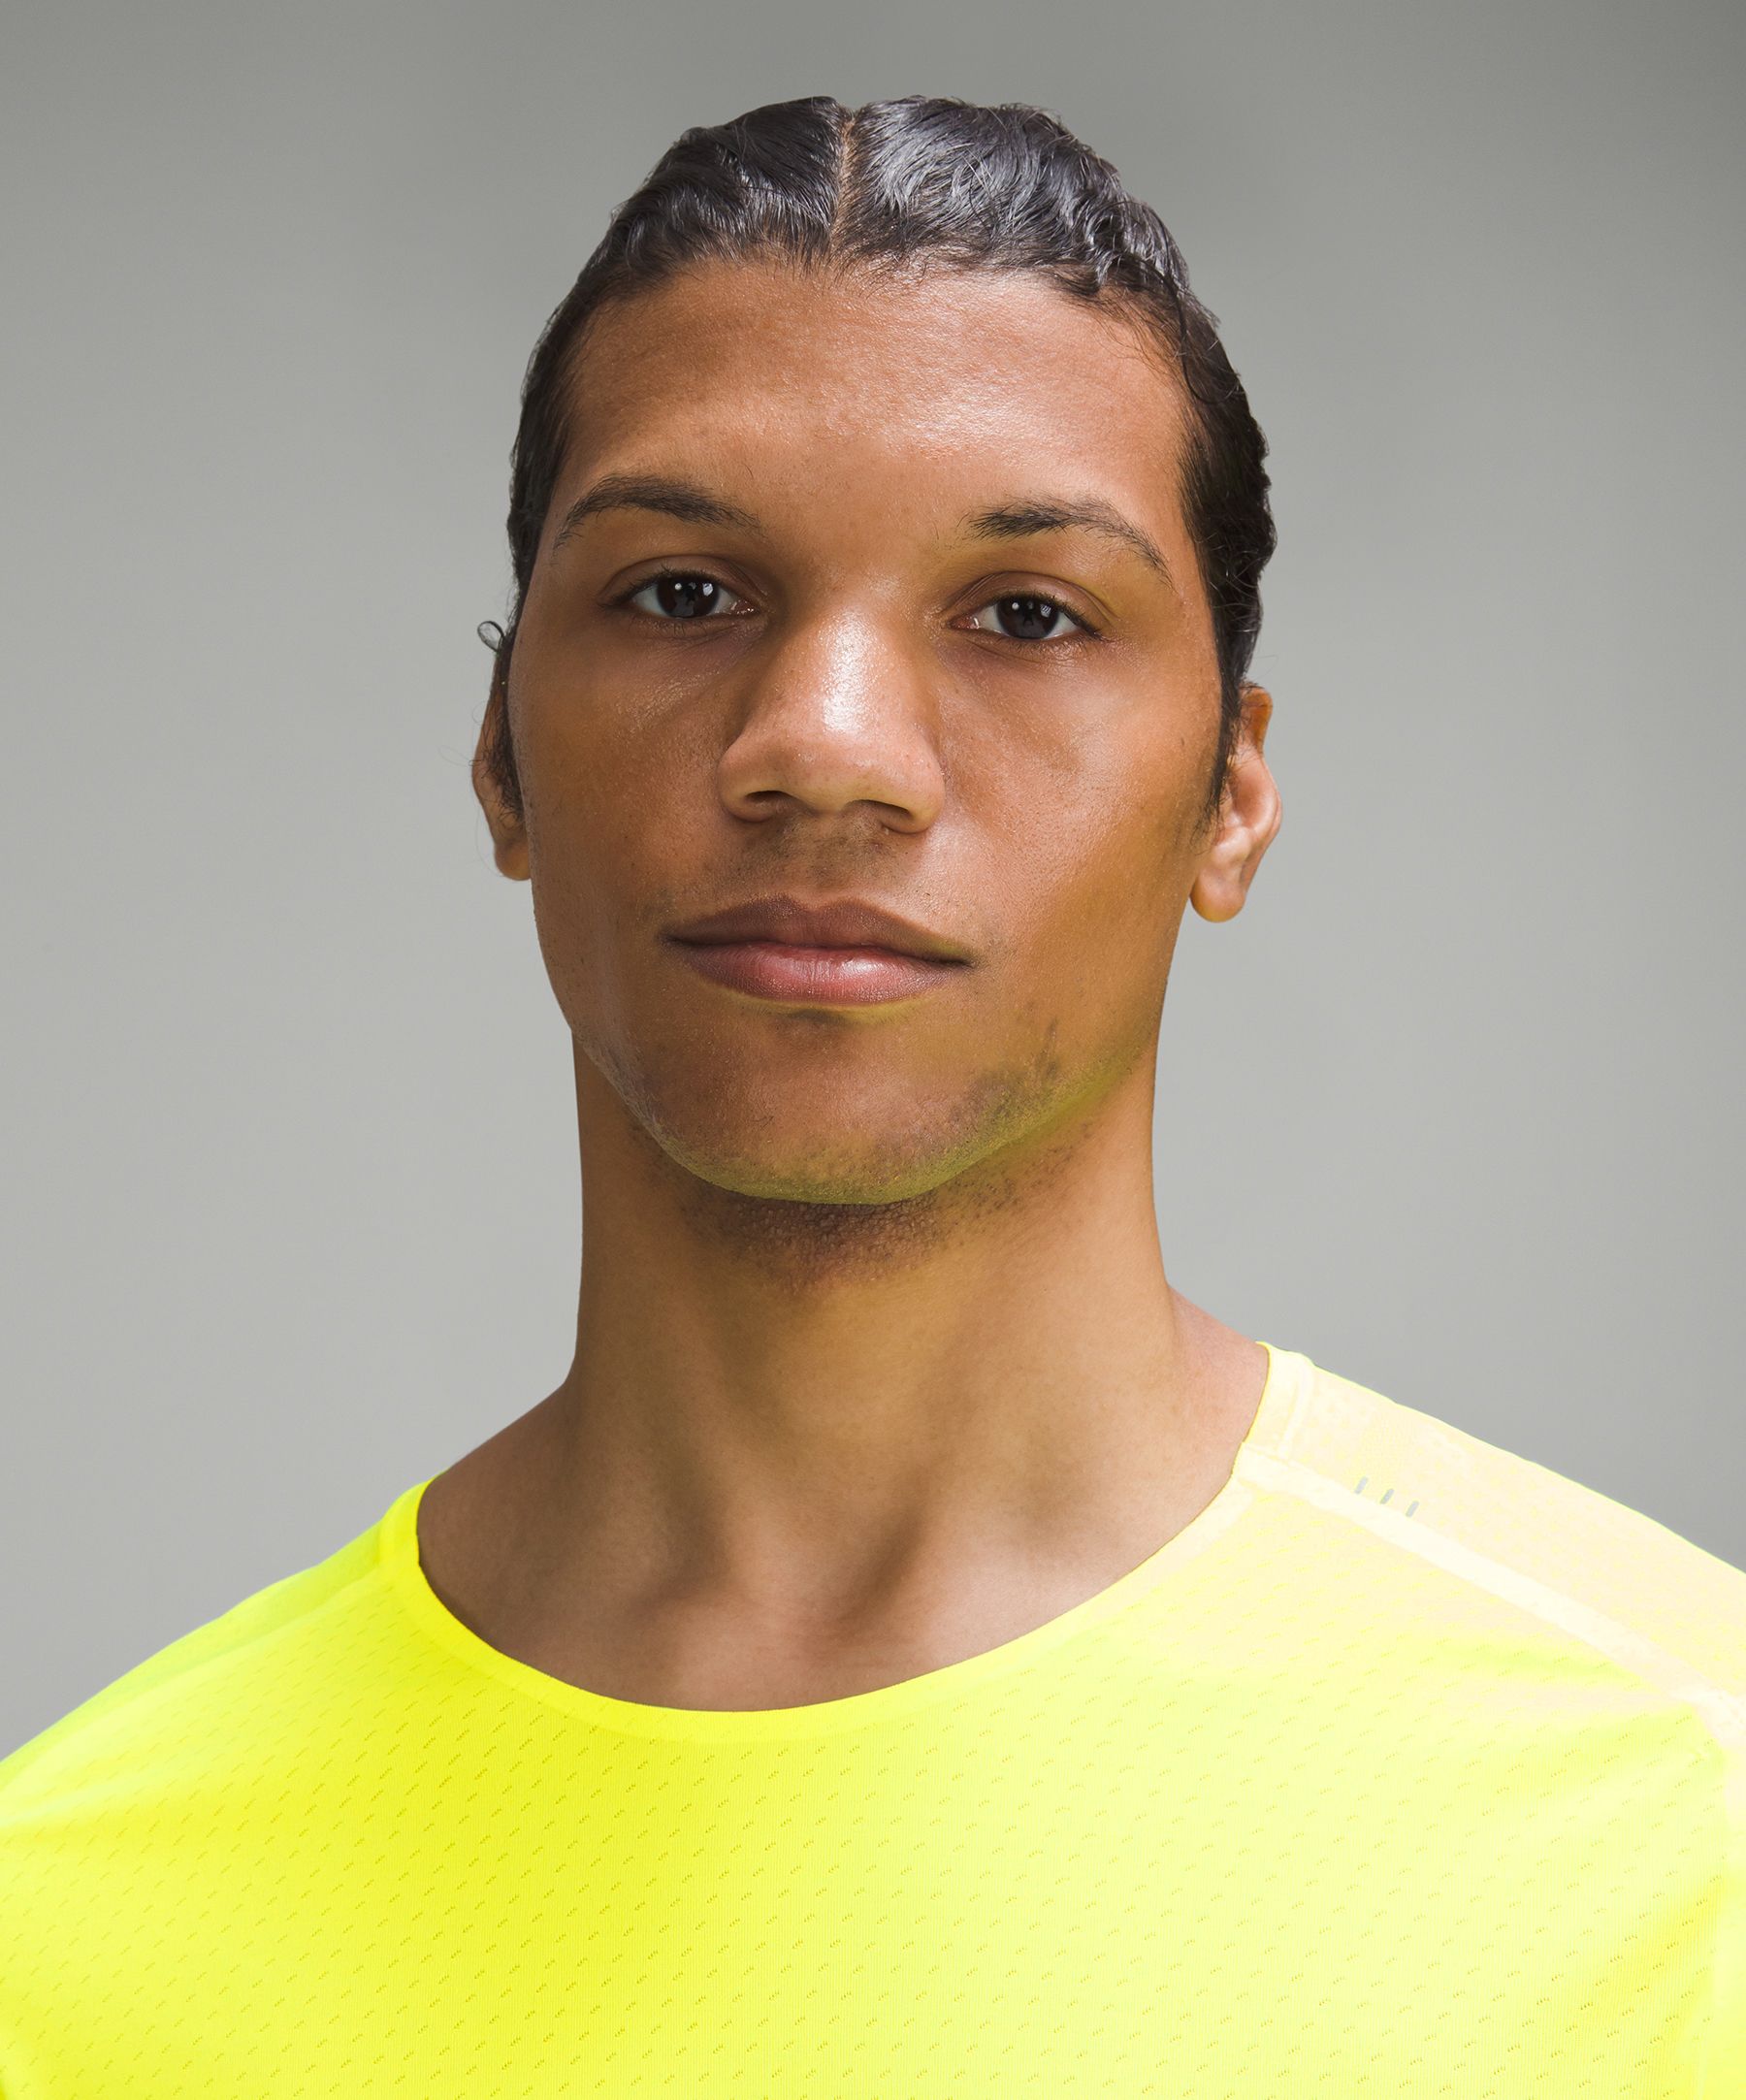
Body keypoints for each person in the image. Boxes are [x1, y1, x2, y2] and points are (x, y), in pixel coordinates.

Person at [2, 91, 1740, 2098]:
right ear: (500, 757)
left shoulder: (1688, 1817)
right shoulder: (64, 1926)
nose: (822, 748)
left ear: (1231, 795)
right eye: (682, 593)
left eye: (1027, 617)